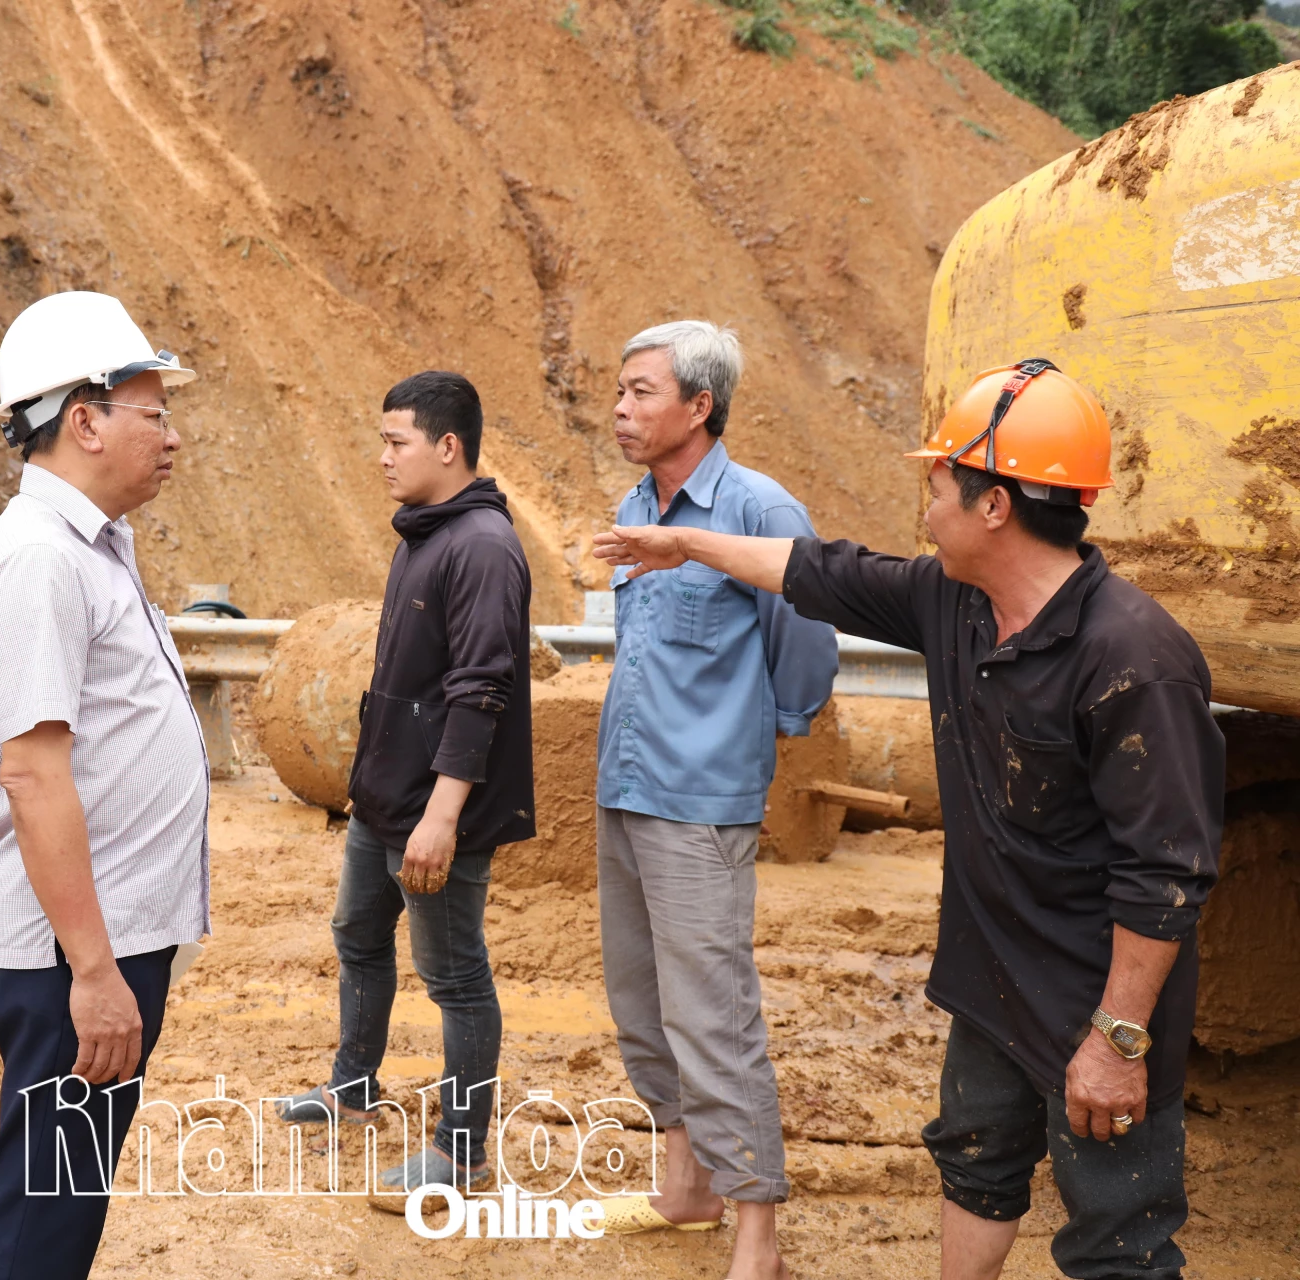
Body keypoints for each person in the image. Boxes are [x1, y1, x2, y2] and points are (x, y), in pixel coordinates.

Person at [594, 359, 1222, 1280]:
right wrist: (686, 545)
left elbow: (1166, 876)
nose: (925, 511)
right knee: (975, 1169)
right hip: (991, 980)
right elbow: (813, 571)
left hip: (1096, 1002)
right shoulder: (955, 603)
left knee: (1116, 1238)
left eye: (936, 488)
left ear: (994, 505)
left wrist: (1117, 1039)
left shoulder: (1134, 659)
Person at [0, 291, 207, 1280]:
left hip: (105, 935)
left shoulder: (88, 545)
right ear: (85, 419)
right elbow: (31, 771)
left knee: (64, 1194)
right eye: (154, 413)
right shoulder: (38, 561)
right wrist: (94, 973)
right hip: (77, 951)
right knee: (45, 1208)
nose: (171, 436)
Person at [584, 322, 832, 1280]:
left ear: (700, 406)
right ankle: (686, 1187)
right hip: (626, 783)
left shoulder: (760, 510)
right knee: (641, 1002)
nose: (620, 409)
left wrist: (759, 734)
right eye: (619, 391)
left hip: (700, 799)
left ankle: (756, 1233)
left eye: (641, 392)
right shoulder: (634, 505)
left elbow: (806, 642)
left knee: (713, 1014)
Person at [276, 371, 534, 1198]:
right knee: (358, 933)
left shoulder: (482, 547)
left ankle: (463, 1153)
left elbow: (481, 691)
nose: (382, 457)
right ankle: (353, 1089)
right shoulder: (425, 533)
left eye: (397, 442)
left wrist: (442, 817)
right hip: (386, 799)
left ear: (448, 446)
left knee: (455, 976)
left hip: (436, 811)